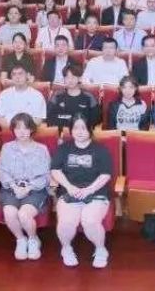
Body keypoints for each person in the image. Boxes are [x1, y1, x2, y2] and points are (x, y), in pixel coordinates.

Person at [51, 114, 115, 268]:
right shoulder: (63, 148)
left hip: (95, 192)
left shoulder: (100, 149)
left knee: (90, 221)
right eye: (76, 128)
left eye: (83, 128)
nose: (79, 132)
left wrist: (89, 190)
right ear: (71, 130)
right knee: (66, 222)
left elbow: (106, 174)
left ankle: (100, 249)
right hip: (70, 191)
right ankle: (66, 248)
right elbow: (55, 170)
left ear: (90, 130)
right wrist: (69, 186)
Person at [0, 113, 52, 261]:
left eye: (25, 128)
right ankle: (21, 239)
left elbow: (46, 175)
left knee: (24, 214)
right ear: (13, 130)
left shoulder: (41, 149)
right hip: (12, 188)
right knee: (9, 212)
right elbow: (3, 171)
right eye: (17, 128)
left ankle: (33, 239)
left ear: (31, 129)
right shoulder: (7, 148)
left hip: (35, 189)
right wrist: (14, 186)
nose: (21, 132)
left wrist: (28, 188)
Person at [47, 65, 101, 130]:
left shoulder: (88, 97)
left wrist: (77, 124)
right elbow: (49, 116)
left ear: (79, 78)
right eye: (67, 77)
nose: (70, 80)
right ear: (63, 79)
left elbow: (96, 119)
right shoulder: (57, 96)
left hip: (82, 132)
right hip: (61, 132)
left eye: (73, 77)